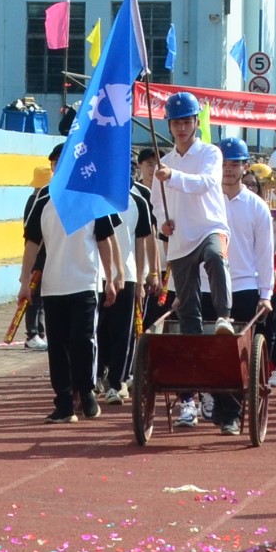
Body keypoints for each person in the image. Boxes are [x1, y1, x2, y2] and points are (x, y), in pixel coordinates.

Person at [21, 150, 120, 423]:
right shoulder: (43, 199)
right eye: (57, 164)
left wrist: (110, 278)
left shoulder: (90, 197)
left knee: (82, 340)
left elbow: (104, 240)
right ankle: (64, 402)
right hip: (53, 285)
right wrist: (24, 282)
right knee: (57, 347)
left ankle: (86, 393)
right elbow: (31, 243)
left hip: (85, 282)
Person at [153, 91, 231, 427]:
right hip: (181, 239)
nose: (182, 128)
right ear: (169, 125)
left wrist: (173, 177)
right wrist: (163, 222)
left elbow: (206, 183)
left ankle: (225, 315)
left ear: (196, 123)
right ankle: (191, 397)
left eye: (187, 121)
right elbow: (157, 203)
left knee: (215, 256)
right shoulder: (164, 163)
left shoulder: (210, 153)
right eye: (176, 122)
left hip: (210, 227)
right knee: (188, 316)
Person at [204, 138, 276, 434]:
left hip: (243, 287)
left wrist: (266, 293)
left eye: (235, 164)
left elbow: (265, 253)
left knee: (236, 354)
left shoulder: (257, 206)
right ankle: (214, 401)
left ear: (245, 167)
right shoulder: (206, 199)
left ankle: (231, 413)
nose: (229, 170)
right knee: (210, 350)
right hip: (208, 285)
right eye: (224, 164)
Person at [96, 161, 157, 407]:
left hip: (127, 275)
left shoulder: (139, 201)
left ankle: (116, 382)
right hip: (97, 274)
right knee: (98, 330)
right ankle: (96, 376)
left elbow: (142, 243)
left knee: (123, 332)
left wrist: (142, 278)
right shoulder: (96, 199)